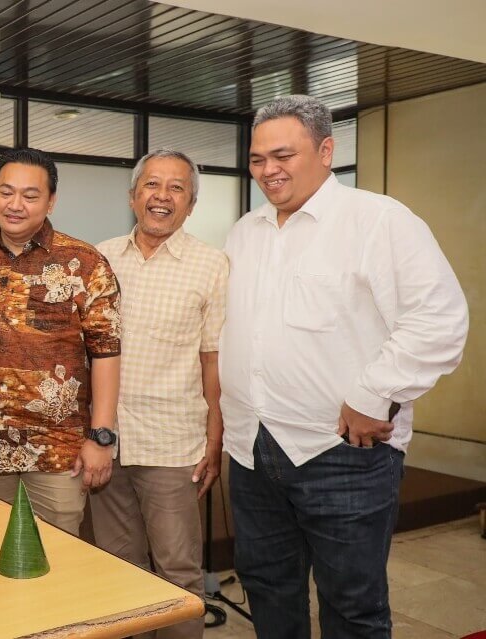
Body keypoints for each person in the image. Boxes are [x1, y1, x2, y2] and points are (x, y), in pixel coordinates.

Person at [222, 95, 469, 638]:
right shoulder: (245, 232)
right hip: (252, 450)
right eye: (258, 158)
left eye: (283, 155)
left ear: (326, 150)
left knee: (352, 606)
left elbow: (440, 321)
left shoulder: (378, 220)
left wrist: (373, 394)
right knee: (267, 588)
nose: (269, 170)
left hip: (342, 455)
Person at [0, 148, 121, 536]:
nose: (15, 205)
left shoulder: (84, 263)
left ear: (51, 200)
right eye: (6, 192)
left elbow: (106, 352)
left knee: (57, 561)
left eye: (30, 195)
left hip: (56, 449)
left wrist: (101, 437)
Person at [90, 149, 228, 639]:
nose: (162, 196)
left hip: (173, 445)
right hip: (106, 442)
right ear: (133, 196)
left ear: (191, 204)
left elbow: (214, 363)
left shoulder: (212, 266)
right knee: (117, 568)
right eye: (152, 185)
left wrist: (215, 441)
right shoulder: (98, 258)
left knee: (178, 573)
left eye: (176, 188)